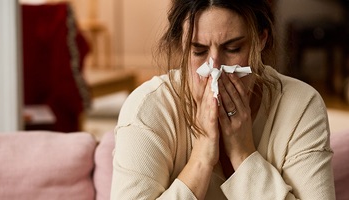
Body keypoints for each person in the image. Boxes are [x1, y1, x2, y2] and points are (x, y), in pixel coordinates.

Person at [111, 0, 335, 199]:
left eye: (233, 48)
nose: (215, 68)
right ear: (182, 45)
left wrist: (243, 153)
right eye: (198, 51)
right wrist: (200, 159)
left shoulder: (301, 106)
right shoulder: (148, 108)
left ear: (261, 40)